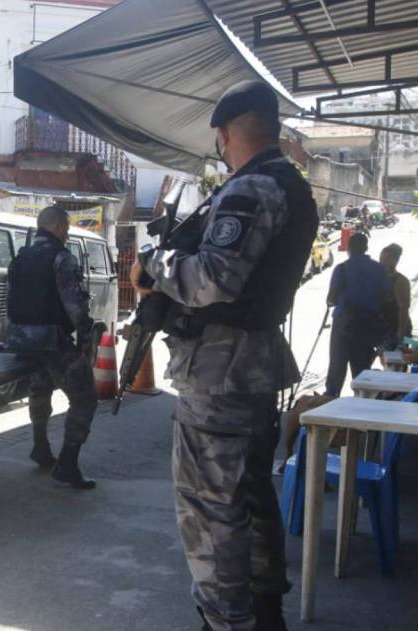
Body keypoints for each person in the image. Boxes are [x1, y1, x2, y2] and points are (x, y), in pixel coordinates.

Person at [130, 80, 317, 631]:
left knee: (211, 511)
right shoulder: (289, 184)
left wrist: (153, 263)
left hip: (219, 372)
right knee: (249, 499)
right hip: (249, 368)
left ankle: (226, 621)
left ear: (226, 132)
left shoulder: (251, 187)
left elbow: (213, 279)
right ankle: (263, 612)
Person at [3, 206, 98, 490]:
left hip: (19, 338)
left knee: (40, 386)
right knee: (85, 396)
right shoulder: (61, 258)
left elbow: (10, 302)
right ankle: (67, 465)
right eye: (66, 228)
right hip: (49, 339)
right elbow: (74, 304)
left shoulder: (20, 258)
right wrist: (85, 333)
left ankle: (40, 447)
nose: (67, 234)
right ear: (57, 227)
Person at [325, 232, 397, 396]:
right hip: (367, 323)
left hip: (343, 323)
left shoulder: (341, 269)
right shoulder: (379, 269)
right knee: (362, 367)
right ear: (366, 248)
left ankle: (331, 399)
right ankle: (362, 399)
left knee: (337, 365)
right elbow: (388, 298)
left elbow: (331, 299)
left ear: (348, 248)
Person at [379, 243, 412, 341]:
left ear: (395, 261)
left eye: (386, 259)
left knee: (394, 351)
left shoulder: (400, 281)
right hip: (381, 328)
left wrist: (401, 332)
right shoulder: (378, 278)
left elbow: (404, 308)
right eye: (381, 259)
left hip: (395, 328)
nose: (382, 262)